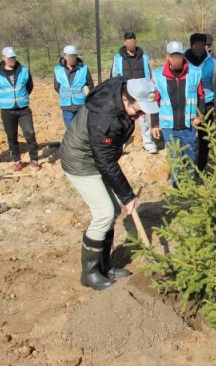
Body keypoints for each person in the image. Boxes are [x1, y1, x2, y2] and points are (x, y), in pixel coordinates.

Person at [60, 77, 158, 290]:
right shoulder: (106, 118)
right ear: (126, 100)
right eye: (139, 110)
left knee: (113, 210)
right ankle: (90, 273)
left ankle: (104, 266)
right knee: (104, 212)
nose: (142, 115)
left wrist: (125, 195)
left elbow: (106, 158)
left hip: (98, 156)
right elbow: (104, 161)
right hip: (80, 159)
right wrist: (128, 196)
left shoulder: (124, 89)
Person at [152, 41, 206, 185]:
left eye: (179, 56)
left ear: (183, 56)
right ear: (167, 57)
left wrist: (199, 116)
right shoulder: (158, 76)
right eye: (173, 56)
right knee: (175, 159)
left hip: (189, 125)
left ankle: (189, 187)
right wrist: (155, 124)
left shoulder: (194, 73)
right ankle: (177, 189)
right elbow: (154, 102)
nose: (176, 59)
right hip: (169, 127)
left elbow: (201, 96)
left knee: (190, 158)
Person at [0, 47, 39, 172]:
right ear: (3, 58)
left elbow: (29, 86)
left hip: (23, 108)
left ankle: (34, 159)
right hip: (7, 110)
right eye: (9, 58)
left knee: (29, 133)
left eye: (13, 57)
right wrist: (6, 99)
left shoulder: (24, 71)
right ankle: (17, 160)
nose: (12, 60)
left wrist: (21, 97)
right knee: (12, 136)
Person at [110, 32, 157, 154]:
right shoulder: (118, 58)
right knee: (123, 121)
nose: (130, 44)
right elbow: (113, 76)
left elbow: (149, 75)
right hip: (125, 94)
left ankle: (148, 143)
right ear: (124, 42)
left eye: (132, 41)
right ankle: (120, 144)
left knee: (144, 119)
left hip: (141, 94)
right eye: (128, 42)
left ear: (136, 41)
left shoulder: (144, 57)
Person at [185, 33, 216, 171]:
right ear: (191, 45)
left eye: (202, 45)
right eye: (196, 45)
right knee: (188, 137)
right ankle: (187, 167)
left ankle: (201, 167)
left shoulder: (213, 63)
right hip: (188, 104)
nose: (199, 47)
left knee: (204, 138)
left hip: (207, 104)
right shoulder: (184, 61)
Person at [54, 45, 94, 128]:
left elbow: (90, 85)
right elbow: (57, 87)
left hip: (81, 105)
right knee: (70, 129)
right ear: (65, 56)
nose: (72, 58)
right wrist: (66, 95)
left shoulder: (83, 68)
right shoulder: (58, 70)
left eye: (73, 56)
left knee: (83, 128)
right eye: (70, 56)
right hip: (66, 106)